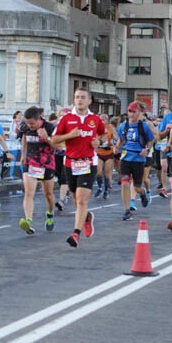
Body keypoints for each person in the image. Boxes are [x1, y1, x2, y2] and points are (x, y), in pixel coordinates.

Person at [50, 88, 106, 248]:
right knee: (76, 200)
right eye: (77, 97)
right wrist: (69, 136)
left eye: (83, 97)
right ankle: (86, 217)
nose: (79, 100)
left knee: (82, 200)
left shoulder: (95, 119)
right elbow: (54, 140)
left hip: (88, 162)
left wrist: (99, 142)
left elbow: (102, 134)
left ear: (89, 101)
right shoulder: (66, 119)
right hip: (70, 163)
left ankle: (76, 233)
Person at [17, 106, 57, 235]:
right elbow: (24, 137)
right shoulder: (25, 126)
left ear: (39, 118)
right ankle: (29, 220)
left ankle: (50, 214)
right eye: (27, 123)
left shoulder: (50, 128)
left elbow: (60, 147)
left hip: (47, 163)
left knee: (48, 194)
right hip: (31, 162)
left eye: (32, 124)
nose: (30, 126)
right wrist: (23, 154)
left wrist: (47, 138)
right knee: (29, 192)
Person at [116, 101, 156, 221]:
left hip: (138, 159)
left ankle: (143, 193)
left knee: (137, 187)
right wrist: (117, 146)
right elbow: (121, 138)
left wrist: (147, 149)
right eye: (130, 111)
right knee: (124, 183)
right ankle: (127, 210)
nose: (131, 114)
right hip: (126, 157)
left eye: (134, 112)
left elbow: (151, 140)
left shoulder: (144, 126)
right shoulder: (123, 126)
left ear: (139, 113)